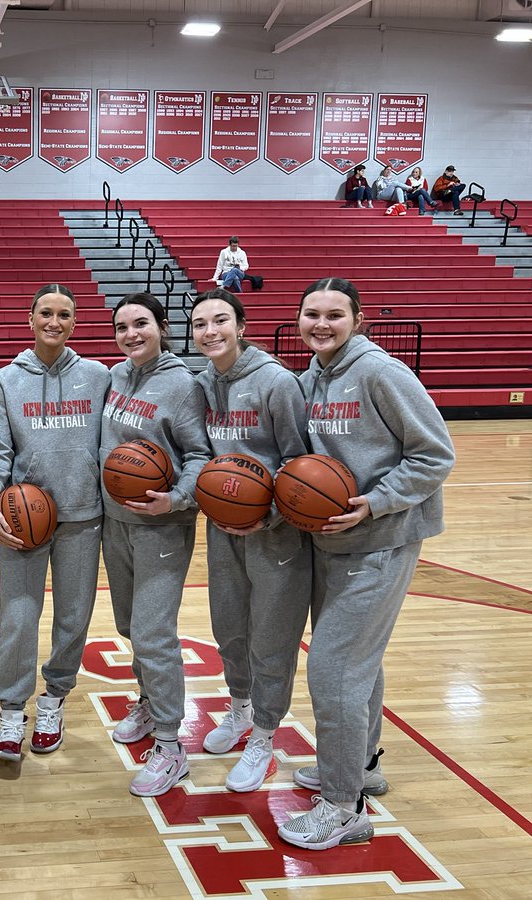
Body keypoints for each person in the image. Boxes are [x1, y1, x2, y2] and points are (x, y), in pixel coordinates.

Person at [276, 277, 455, 851]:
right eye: (311, 314)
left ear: (357, 320)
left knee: (332, 671)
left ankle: (343, 805)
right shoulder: (310, 378)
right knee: (359, 666)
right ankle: (365, 766)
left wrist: (375, 502)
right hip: (333, 543)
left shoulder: (382, 373)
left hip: (383, 540)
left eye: (334, 315)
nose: (320, 324)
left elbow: (435, 453)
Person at [0, 283, 111, 762]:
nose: (55, 322)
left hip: (82, 516)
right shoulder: (3, 381)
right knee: (18, 618)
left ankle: (53, 700)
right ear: (30, 319)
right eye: (46, 313)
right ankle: (12, 712)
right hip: (21, 519)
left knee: (73, 618)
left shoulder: (98, 377)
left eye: (65, 315)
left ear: (75, 323)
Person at [190, 288, 312, 793]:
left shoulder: (277, 383)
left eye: (220, 320)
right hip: (223, 530)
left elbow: (304, 465)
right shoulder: (200, 385)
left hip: (275, 534)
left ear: (241, 325)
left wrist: (269, 517)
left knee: (271, 638)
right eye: (200, 324)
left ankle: (264, 734)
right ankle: (239, 709)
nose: (210, 331)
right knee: (229, 629)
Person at [100, 291, 211, 796]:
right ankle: (148, 702)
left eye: (141, 324)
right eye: (122, 327)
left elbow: (199, 454)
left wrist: (178, 499)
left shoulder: (183, 385)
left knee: (153, 632)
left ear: (163, 326)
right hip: (116, 523)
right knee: (128, 625)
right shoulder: (117, 375)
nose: (131, 335)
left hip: (162, 527)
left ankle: (171, 745)